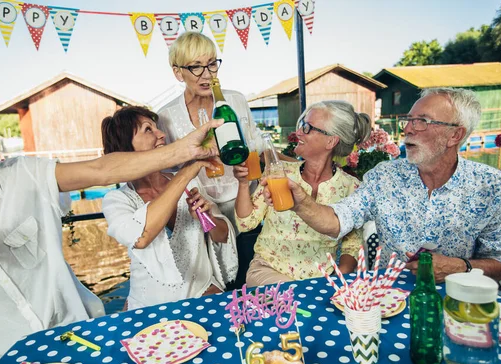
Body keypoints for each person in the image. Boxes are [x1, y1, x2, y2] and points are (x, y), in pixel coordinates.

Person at [0, 73, 221, 364]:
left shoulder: (20, 175)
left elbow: (101, 170)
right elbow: (142, 235)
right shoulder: (121, 201)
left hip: (75, 336)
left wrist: (185, 152)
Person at [270, 88, 501, 284]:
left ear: (455, 135)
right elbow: (337, 221)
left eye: (422, 121)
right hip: (388, 296)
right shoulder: (384, 177)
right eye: (409, 120)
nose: (408, 129)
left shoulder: (494, 189)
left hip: (457, 295)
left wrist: (460, 267)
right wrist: (301, 202)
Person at [101, 107, 238, 309]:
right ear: (125, 148)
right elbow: (141, 237)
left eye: (157, 128)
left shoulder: (191, 185)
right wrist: (186, 173)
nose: (161, 134)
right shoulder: (117, 200)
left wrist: (209, 218)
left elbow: (222, 236)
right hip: (148, 304)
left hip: (201, 290)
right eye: (148, 130)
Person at [234, 101, 369, 286]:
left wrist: (338, 282)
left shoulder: (351, 187)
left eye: (307, 128)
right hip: (267, 271)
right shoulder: (279, 172)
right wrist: (243, 183)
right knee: (294, 300)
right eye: (301, 125)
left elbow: (351, 246)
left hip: (319, 280)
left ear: (331, 141)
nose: (298, 132)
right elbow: (245, 223)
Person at [156, 31, 257, 230]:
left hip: (246, 201)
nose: (207, 74)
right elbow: (166, 171)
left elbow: (256, 144)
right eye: (195, 66)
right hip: (201, 211)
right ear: (178, 72)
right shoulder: (165, 116)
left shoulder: (236, 100)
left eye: (211, 64)